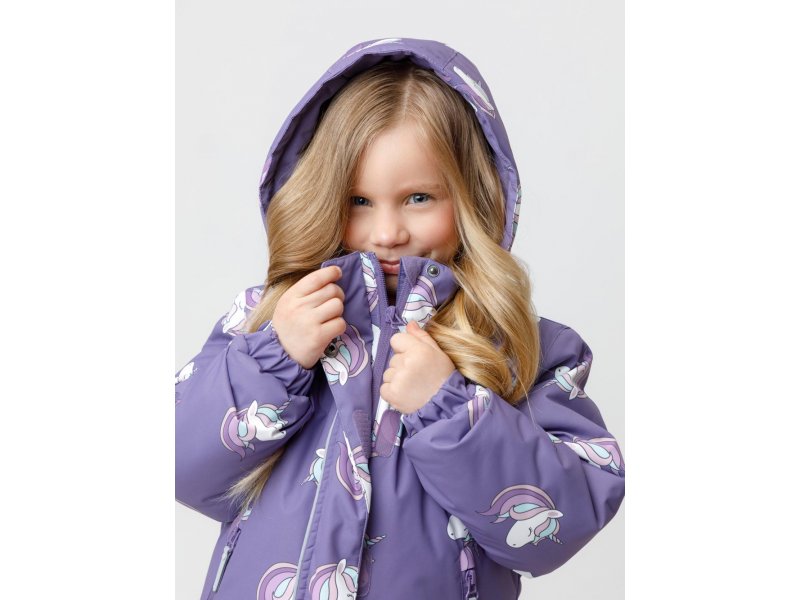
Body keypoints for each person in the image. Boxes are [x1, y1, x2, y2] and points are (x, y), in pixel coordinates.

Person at [176, 37, 625, 600]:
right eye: (359, 201)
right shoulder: (266, 321)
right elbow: (181, 465)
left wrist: (450, 408)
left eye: (418, 198)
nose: (387, 233)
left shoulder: (518, 348)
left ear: (474, 197)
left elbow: (562, 524)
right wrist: (273, 360)